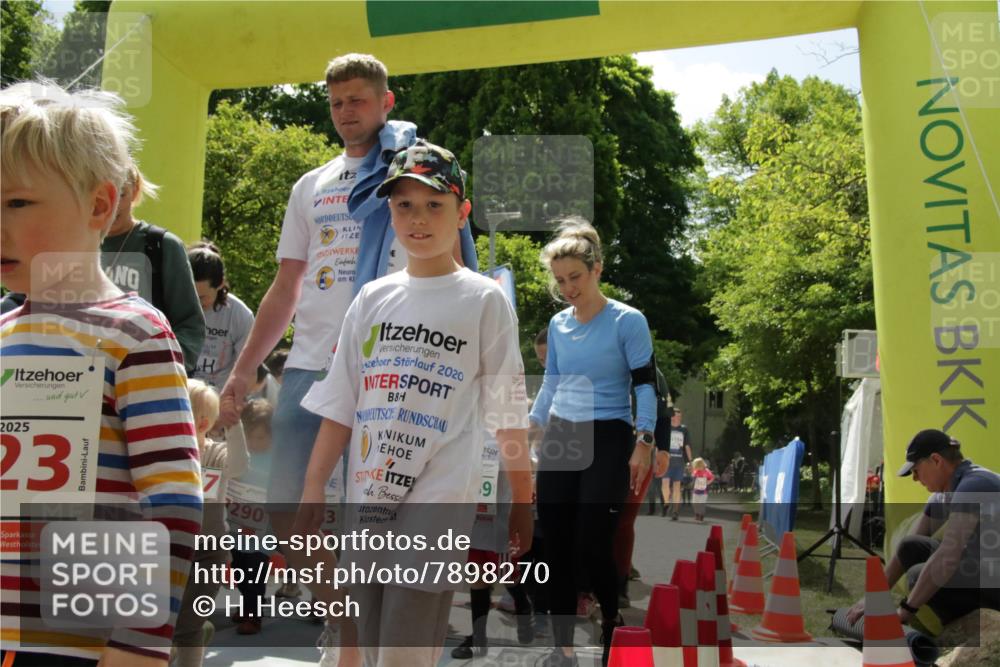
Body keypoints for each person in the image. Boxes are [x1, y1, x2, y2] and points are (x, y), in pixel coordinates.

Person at [215, 54, 479, 665]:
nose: (345, 113)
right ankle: (348, 619)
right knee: (285, 508)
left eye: (358, 100)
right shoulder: (311, 185)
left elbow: (454, 269)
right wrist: (244, 369)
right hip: (310, 365)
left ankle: (376, 639)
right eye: (336, 103)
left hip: (394, 371)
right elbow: (286, 287)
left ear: (387, 102)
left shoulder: (418, 173)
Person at [292, 140, 533, 666]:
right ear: (389, 209)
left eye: (434, 205)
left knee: (402, 648)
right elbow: (342, 402)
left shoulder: (484, 298)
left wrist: (524, 499)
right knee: (365, 642)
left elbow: (507, 410)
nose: (418, 219)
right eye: (403, 204)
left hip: (439, 501)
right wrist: (313, 487)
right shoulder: (372, 298)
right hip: (368, 497)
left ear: (462, 213)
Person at [0, 81, 202, 667]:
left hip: (80, 643)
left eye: (16, 203)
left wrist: (138, 642)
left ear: (97, 205)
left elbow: (172, 501)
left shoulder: (134, 335)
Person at [529, 218, 657, 667]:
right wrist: (531, 426)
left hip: (610, 433)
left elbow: (644, 385)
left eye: (576, 278)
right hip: (564, 433)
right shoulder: (559, 325)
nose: (567, 288)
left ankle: (610, 625)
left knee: (592, 541)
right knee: (555, 544)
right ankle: (561, 647)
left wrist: (644, 440)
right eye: (561, 280)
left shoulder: (628, 321)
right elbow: (550, 383)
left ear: (597, 269)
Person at [846, 429, 1000, 629]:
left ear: (936, 460)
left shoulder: (975, 485)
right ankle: (964, 629)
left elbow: (948, 556)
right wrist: (872, 598)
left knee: (919, 575)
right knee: (913, 548)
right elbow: (908, 547)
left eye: (916, 470)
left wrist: (905, 611)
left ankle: (972, 629)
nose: (915, 479)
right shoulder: (946, 491)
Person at [101, 162, 205, 373]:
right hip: (83, 381)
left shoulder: (162, 246)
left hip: (146, 380)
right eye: (102, 195)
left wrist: (165, 368)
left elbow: (190, 325)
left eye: (121, 193)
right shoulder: (71, 245)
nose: (112, 205)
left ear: (135, 190)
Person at [173, 380, 249, 667]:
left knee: (189, 626)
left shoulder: (216, 453)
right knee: (160, 621)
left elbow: (240, 466)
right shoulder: (166, 453)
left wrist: (234, 426)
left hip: (209, 553)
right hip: (167, 548)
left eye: (208, 413)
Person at [188, 241, 255, 391]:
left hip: (214, 400)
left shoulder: (240, 316)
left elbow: (249, 372)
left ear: (220, 285)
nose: (195, 303)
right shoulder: (170, 306)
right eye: (189, 294)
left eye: (202, 297)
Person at [663, 408, 693, 520]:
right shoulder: (665, 428)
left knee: (677, 487)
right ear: (671, 417)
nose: (679, 418)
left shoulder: (684, 430)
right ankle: (667, 502)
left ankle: (675, 511)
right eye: (676, 416)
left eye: (680, 417)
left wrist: (690, 462)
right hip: (666, 461)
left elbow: (687, 446)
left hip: (679, 463)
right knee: (665, 485)